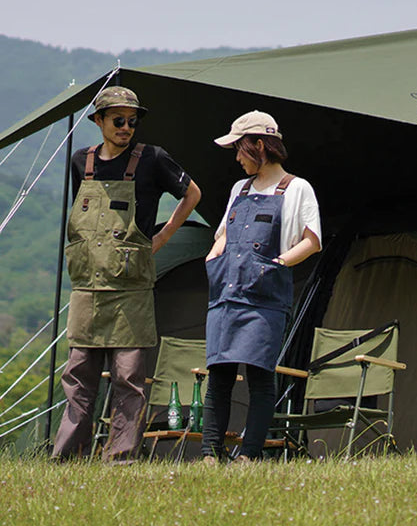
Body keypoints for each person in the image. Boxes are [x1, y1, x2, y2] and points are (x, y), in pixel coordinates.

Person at [51, 86, 201, 462]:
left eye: (132, 121)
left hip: (131, 291)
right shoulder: (80, 161)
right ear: (98, 121)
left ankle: (121, 457)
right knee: (78, 377)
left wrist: (162, 236)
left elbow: (193, 193)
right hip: (87, 289)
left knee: (129, 378)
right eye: (118, 120)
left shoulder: (152, 158)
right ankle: (67, 457)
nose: (126, 127)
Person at [202, 110, 321, 463]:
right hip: (226, 293)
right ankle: (210, 454)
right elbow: (223, 234)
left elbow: (312, 241)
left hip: (266, 297)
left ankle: (249, 456)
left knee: (259, 377)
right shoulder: (238, 189)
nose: (237, 158)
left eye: (239, 149)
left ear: (259, 145)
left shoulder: (297, 188)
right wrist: (213, 258)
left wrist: (278, 263)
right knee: (218, 376)